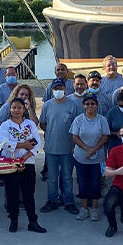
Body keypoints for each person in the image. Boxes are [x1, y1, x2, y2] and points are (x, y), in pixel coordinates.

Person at [0, 99, 47, 233]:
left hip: (27, 163)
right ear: (10, 109)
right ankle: (14, 220)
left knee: (28, 194)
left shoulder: (30, 124)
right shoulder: (5, 125)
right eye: (14, 107)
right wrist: (23, 145)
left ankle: (33, 221)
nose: (16, 110)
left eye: (19, 107)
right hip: (10, 163)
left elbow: (37, 143)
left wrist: (25, 156)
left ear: (24, 109)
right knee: (11, 192)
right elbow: (5, 143)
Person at [39, 79, 82, 214]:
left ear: (65, 89)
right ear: (51, 90)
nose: (58, 90)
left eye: (61, 88)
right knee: (52, 177)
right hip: (51, 147)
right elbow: (43, 124)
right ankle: (52, 200)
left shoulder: (73, 104)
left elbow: (76, 126)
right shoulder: (47, 105)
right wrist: (52, 132)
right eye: (56, 88)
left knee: (67, 176)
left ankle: (68, 201)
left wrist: (74, 145)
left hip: (68, 147)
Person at [70, 95, 110, 221]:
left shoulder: (102, 120)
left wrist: (94, 149)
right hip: (81, 157)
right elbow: (75, 137)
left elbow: (105, 137)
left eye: (92, 103)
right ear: (83, 106)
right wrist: (87, 148)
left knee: (95, 183)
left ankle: (93, 208)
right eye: (87, 104)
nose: (90, 106)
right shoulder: (78, 120)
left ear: (97, 105)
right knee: (82, 182)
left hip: (97, 158)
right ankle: (84, 208)